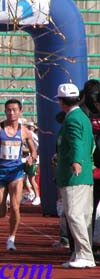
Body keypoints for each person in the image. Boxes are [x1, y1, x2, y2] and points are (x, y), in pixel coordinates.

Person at [0, 99, 37, 251]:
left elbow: (33, 150)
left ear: (20, 112)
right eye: (8, 110)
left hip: (16, 172)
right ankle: (2, 209)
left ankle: (11, 238)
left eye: (14, 110)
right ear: (4, 111)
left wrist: (31, 158)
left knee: (15, 206)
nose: (11, 113)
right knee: (0, 212)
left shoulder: (24, 131)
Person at [55, 83, 96, 269]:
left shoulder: (72, 119)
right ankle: (82, 252)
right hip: (84, 174)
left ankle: (85, 254)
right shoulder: (82, 117)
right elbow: (89, 144)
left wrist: (76, 161)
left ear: (61, 101)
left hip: (74, 176)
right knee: (83, 216)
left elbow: (77, 142)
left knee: (75, 214)